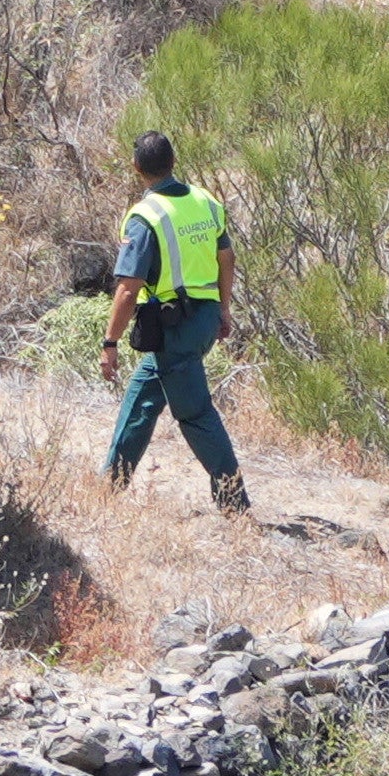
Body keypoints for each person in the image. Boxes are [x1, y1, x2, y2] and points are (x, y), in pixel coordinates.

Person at [98, 130, 249, 513]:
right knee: (143, 397)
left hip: (174, 326)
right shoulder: (205, 201)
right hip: (201, 320)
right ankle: (109, 485)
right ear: (173, 161)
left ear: (136, 167)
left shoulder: (145, 216)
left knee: (195, 414)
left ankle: (235, 503)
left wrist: (110, 343)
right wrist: (223, 308)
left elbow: (128, 290)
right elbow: (226, 258)